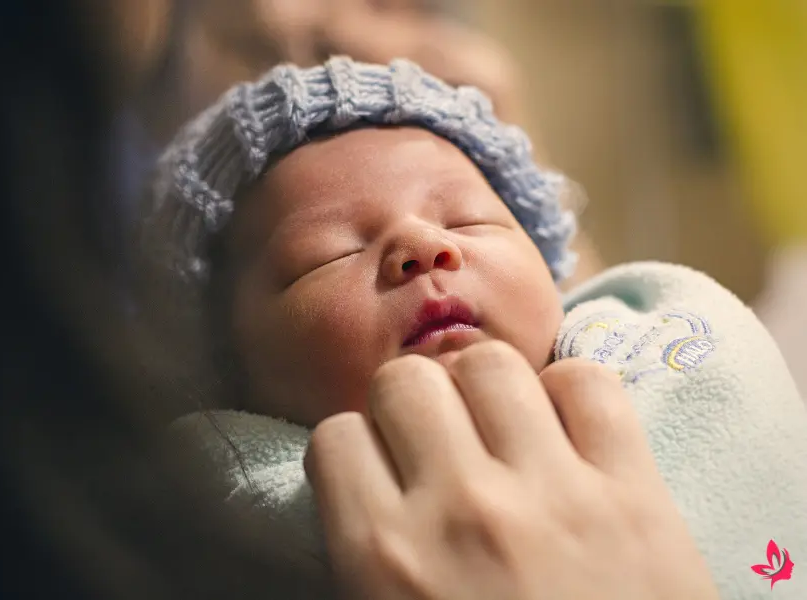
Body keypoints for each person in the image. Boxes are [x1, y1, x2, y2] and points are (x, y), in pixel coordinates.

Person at [142, 57, 807, 599]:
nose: (425, 245)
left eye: (467, 220)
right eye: (326, 254)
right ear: (228, 372)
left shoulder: (645, 344)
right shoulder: (230, 506)